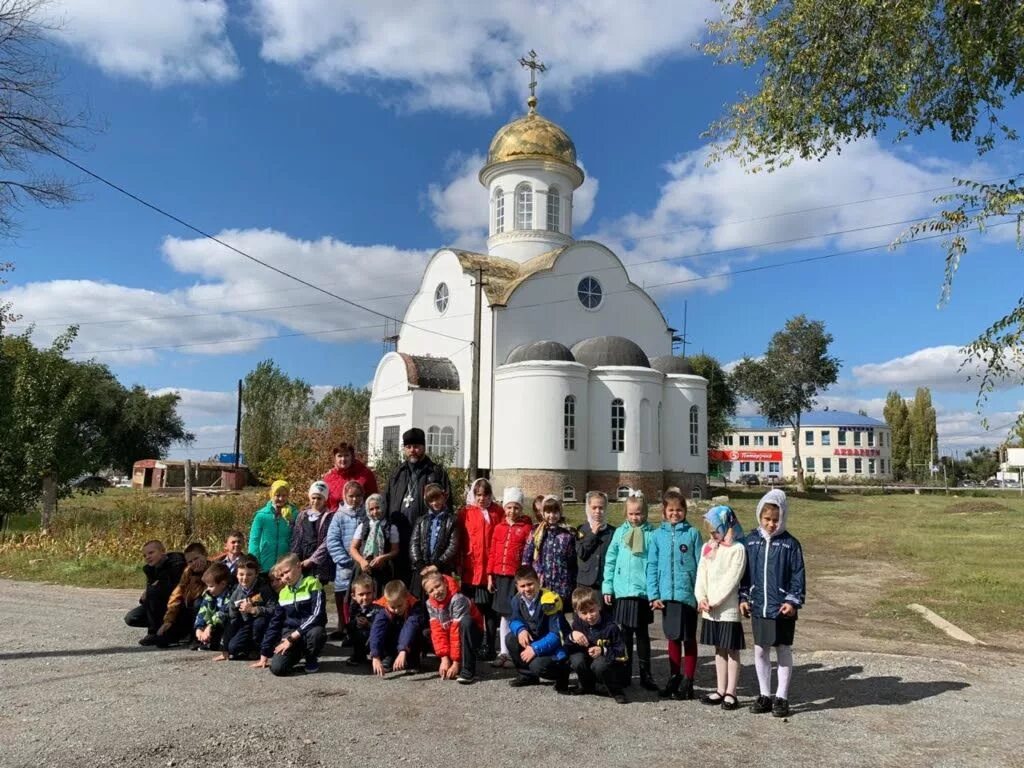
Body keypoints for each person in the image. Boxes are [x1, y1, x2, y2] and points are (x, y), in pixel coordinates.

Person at [740, 488, 806, 719]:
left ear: (783, 518)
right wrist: (744, 597)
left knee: (783, 649)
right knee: (760, 649)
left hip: (781, 608)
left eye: (775, 520)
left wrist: (792, 600)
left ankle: (782, 697)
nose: (771, 524)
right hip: (759, 606)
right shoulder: (751, 542)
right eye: (766, 519)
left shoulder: (791, 544)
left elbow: (798, 575)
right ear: (760, 516)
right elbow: (745, 574)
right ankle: (764, 694)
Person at [647, 489, 703, 700]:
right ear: (664, 511)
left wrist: (700, 594)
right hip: (666, 596)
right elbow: (652, 565)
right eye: (671, 510)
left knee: (688, 638)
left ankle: (688, 680)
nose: (675, 513)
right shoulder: (657, 536)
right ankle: (674, 677)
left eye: (679, 510)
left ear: (685, 511)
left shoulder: (692, 534)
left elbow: (701, 566)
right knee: (672, 637)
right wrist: (654, 594)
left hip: (687, 595)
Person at [601, 490, 658, 691]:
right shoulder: (619, 533)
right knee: (624, 634)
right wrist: (607, 586)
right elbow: (610, 560)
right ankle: (624, 672)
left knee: (642, 635)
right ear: (626, 514)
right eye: (632, 514)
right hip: (623, 591)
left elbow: (656, 563)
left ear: (646, 513)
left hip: (642, 592)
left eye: (639, 513)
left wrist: (655, 593)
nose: (636, 517)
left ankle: (646, 674)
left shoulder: (652, 534)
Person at [382, 427, 452, 584]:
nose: (412, 450)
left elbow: (448, 507)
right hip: (398, 538)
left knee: (422, 586)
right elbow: (386, 502)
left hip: (424, 541)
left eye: (416, 446)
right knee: (399, 583)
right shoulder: (397, 473)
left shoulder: (436, 473)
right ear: (404, 448)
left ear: (424, 447)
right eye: (408, 447)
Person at [696, 505, 747, 711]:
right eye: (710, 531)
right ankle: (719, 688)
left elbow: (732, 579)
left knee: (731, 649)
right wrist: (701, 598)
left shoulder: (737, 549)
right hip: (710, 608)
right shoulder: (708, 547)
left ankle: (731, 692)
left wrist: (715, 600)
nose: (713, 534)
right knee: (718, 648)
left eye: (716, 529)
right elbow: (702, 574)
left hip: (727, 609)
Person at [256, 553, 327, 676]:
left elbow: (317, 615)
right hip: (290, 635)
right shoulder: (283, 593)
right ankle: (297, 654)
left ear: (298, 566)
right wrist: (265, 653)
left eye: (287, 572)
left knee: (317, 633)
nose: (285, 577)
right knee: (278, 669)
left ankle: (311, 658)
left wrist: (293, 637)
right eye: (282, 575)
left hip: (308, 631)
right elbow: (275, 622)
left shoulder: (313, 583)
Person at [458, 478, 504, 661]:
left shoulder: (497, 512)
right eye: (478, 495)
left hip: (490, 569)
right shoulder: (466, 513)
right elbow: (461, 538)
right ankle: (473, 644)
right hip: (471, 567)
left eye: (485, 495)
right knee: (472, 608)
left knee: (490, 611)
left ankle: (491, 645)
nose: (481, 499)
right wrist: (459, 562)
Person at [487, 486, 533, 669]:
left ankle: (520, 651)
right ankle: (504, 652)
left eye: (516, 507)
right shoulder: (499, 528)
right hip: (501, 576)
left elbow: (527, 554)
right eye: (509, 507)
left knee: (519, 613)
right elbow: (492, 552)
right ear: (504, 507)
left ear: (521, 509)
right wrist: (490, 576)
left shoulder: (526, 528)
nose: (512, 511)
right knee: (505, 614)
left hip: (517, 578)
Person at [505, 565, 570, 691]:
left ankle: (562, 674)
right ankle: (527, 676)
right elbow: (513, 620)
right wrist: (520, 630)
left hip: (554, 647)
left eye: (530, 584)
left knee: (538, 665)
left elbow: (557, 635)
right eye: (522, 586)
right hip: (534, 639)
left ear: (538, 582)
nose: (527, 589)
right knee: (510, 639)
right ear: (517, 587)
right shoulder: (517, 600)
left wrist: (534, 649)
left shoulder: (549, 601)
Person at [566, 587, 629, 703]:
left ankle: (616, 690)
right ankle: (586, 686)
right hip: (589, 661)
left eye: (592, 610)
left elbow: (622, 652)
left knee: (600, 665)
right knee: (576, 659)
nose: (589, 616)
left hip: (609, 665)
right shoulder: (577, 624)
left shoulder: (611, 626)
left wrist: (603, 650)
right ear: (577, 613)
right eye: (584, 613)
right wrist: (572, 635)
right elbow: (567, 646)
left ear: (599, 606)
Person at [423, 567, 484, 684]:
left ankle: (467, 670)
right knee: (427, 632)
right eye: (431, 591)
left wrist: (456, 662)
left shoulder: (458, 599)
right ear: (428, 594)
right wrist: (444, 658)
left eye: (438, 586)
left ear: (445, 583)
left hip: (472, 633)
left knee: (466, 622)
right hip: (450, 632)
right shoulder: (429, 603)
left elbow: (455, 631)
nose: (436, 592)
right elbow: (437, 631)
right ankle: (446, 662)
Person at [326, 479, 368, 638]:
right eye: (351, 496)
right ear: (345, 496)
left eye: (358, 496)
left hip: (362, 564)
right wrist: (344, 559)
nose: (354, 499)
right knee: (343, 596)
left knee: (361, 595)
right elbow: (332, 540)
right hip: (345, 565)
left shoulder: (366, 514)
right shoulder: (339, 516)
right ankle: (342, 625)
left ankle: (356, 628)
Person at [124, 540, 186, 646]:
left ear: (163, 551)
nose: (148, 557)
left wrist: (154, 588)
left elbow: (175, 589)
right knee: (131, 618)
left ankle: (158, 632)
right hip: (159, 605)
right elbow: (148, 596)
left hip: (176, 605)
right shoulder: (150, 569)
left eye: (151, 553)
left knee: (153, 592)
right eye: (145, 555)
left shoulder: (176, 563)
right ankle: (160, 630)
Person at [216, 555, 276, 661]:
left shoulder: (263, 588)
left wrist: (255, 610)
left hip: (262, 623)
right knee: (233, 648)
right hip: (245, 624)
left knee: (259, 623)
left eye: (249, 574)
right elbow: (232, 619)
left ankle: (260, 649)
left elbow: (274, 609)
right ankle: (247, 648)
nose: (244, 578)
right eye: (241, 574)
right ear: (236, 575)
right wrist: (224, 648)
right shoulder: (236, 592)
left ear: (256, 574)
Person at [522, 495, 576, 606]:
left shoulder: (567, 535)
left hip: (561, 585)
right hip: (541, 583)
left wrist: (571, 582)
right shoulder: (536, 533)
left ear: (560, 513)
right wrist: (527, 580)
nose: (552, 516)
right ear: (543, 513)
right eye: (548, 512)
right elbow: (527, 558)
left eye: (555, 512)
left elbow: (572, 562)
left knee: (558, 618)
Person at [155, 542, 210, 648]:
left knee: (198, 602)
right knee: (162, 640)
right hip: (187, 609)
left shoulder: (213, 569)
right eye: (190, 561)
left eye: (196, 558)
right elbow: (177, 594)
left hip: (204, 609)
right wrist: (169, 620)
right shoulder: (187, 572)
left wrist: (200, 577)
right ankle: (175, 633)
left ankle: (197, 636)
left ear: (205, 555)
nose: (194, 563)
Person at [408, 483, 459, 598]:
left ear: (443, 497)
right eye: (431, 500)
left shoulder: (451, 520)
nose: (435, 503)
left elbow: (453, 545)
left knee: (440, 599)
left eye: (438, 498)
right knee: (419, 601)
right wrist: (420, 564)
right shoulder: (421, 520)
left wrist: (438, 564)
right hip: (422, 570)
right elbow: (414, 543)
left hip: (441, 568)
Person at [369, 580, 425, 677]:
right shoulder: (381, 609)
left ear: (406, 598)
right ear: (386, 602)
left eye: (400, 605)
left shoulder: (415, 606)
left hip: (409, 641)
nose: (396, 610)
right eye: (393, 607)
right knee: (383, 628)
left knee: (417, 630)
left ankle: (412, 659)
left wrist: (403, 650)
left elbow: (409, 628)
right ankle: (389, 655)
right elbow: (376, 632)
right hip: (392, 638)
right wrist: (375, 655)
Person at [349, 492, 400, 597]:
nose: (375, 512)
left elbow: (395, 550)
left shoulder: (391, 527)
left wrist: (383, 558)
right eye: (371, 509)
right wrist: (362, 561)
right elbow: (353, 548)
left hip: (383, 570)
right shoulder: (363, 526)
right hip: (363, 569)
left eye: (377, 507)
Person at [290, 481, 336, 585]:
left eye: (319, 498)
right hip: (302, 559)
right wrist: (294, 558)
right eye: (313, 498)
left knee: (316, 589)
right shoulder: (302, 516)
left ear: (325, 499)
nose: (315, 501)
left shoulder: (329, 516)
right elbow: (296, 539)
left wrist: (313, 559)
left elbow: (327, 541)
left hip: (319, 562)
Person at [249, 480, 296, 575]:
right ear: (271, 495)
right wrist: (254, 562)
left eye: (284, 495)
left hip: (285, 567)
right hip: (264, 565)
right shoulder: (262, 515)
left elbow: (296, 539)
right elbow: (254, 541)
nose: (281, 498)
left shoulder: (294, 514)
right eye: (277, 495)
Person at [575, 491, 614, 594]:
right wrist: (593, 533)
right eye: (594, 507)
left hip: (604, 584)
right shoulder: (581, 530)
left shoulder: (612, 532)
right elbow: (582, 553)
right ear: (588, 508)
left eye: (601, 508)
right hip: (585, 583)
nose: (598, 511)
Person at [323, 441, 378, 512]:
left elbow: (373, 499)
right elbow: (324, 503)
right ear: (335, 458)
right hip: (333, 519)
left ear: (352, 456)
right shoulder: (329, 477)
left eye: (346, 455)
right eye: (339, 456)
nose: (343, 459)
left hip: (360, 519)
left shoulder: (365, 475)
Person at [193, 562, 233, 651]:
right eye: (207, 586)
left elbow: (223, 613)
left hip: (223, 625)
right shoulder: (209, 594)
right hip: (212, 625)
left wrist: (210, 627)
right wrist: (199, 628)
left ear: (222, 584)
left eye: (211, 586)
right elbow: (202, 611)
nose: (208, 589)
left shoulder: (230, 595)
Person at [345, 574, 382, 667]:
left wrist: (368, 624)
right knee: (351, 628)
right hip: (361, 636)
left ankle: (381, 656)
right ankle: (359, 655)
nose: (365, 597)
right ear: (353, 596)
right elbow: (350, 623)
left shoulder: (378, 608)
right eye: (361, 594)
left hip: (375, 637)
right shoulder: (354, 607)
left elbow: (382, 628)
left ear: (374, 593)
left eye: (368, 593)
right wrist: (355, 622)